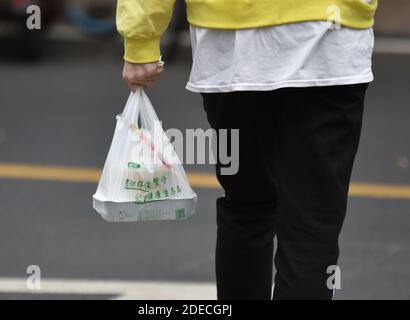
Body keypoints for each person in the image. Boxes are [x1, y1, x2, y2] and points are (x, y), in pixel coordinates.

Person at [116, 0, 378, 300]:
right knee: (312, 220)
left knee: (246, 207)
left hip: (230, 39)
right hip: (331, 36)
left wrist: (140, 38)